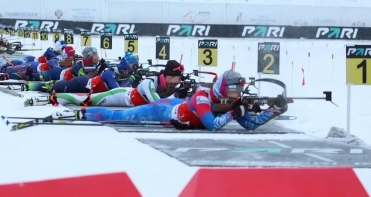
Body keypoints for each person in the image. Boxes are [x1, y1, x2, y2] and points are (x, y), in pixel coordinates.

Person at [75, 70, 288, 131]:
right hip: (165, 110)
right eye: (235, 90)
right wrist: (234, 112)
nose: (238, 95)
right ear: (225, 88)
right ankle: (81, 113)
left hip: (181, 110)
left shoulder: (231, 100)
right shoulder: (202, 97)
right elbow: (212, 125)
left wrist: (275, 110)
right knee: (120, 117)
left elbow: (251, 125)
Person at [45, 59, 184, 107]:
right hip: (120, 96)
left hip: (126, 97)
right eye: (178, 77)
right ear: (169, 76)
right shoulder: (150, 83)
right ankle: (54, 99)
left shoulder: (168, 85)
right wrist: (177, 96)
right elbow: (158, 104)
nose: (179, 81)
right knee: (85, 101)